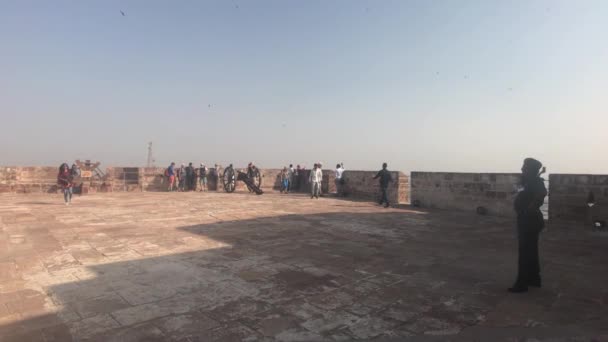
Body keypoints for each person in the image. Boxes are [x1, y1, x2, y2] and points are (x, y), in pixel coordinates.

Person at [509, 158, 548, 293]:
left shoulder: (536, 181)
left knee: (524, 252)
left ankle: (522, 284)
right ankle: (534, 279)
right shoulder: (530, 181)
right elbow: (522, 190)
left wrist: (528, 209)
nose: (522, 169)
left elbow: (542, 193)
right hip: (528, 220)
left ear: (530, 169)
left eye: (524, 167)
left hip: (529, 220)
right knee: (531, 250)